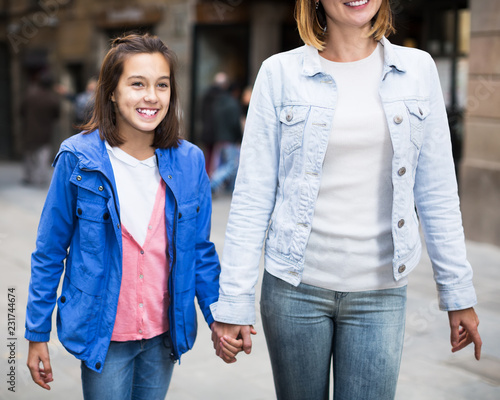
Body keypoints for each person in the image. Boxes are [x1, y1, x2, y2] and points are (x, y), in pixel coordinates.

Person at [211, 1, 482, 399]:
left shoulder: (418, 70)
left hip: (380, 291)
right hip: (294, 290)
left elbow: (437, 192)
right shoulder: (280, 73)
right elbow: (253, 195)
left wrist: (458, 293)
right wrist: (234, 302)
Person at [25, 33, 221, 400]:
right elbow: (50, 252)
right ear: (112, 92)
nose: (151, 96)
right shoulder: (78, 159)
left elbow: (200, 249)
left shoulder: (190, 160)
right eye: (137, 84)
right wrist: (37, 333)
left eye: (162, 85)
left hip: (164, 334)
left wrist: (218, 316)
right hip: (104, 335)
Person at [20, 71, 61, 186]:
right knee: (43, 155)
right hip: (45, 131)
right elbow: (56, 115)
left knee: (29, 154)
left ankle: (29, 176)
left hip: (29, 129)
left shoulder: (29, 95)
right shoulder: (52, 99)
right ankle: (40, 178)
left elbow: (21, 111)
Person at [209, 79, 243, 195]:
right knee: (231, 165)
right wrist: (239, 137)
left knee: (221, 164)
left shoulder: (218, 103)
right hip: (230, 139)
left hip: (219, 138)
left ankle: (229, 188)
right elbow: (235, 124)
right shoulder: (233, 104)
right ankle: (211, 184)